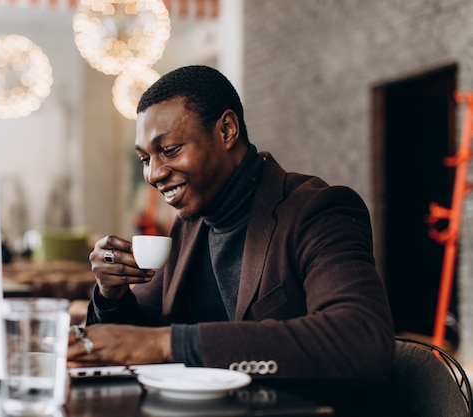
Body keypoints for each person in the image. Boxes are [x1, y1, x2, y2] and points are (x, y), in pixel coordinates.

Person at [68, 66, 398, 413]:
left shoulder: (315, 210)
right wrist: (111, 294)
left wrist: (170, 343)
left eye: (169, 149)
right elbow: (136, 338)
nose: (153, 174)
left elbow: (361, 338)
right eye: (145, 159)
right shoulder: (189, 227)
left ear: (226, 130)